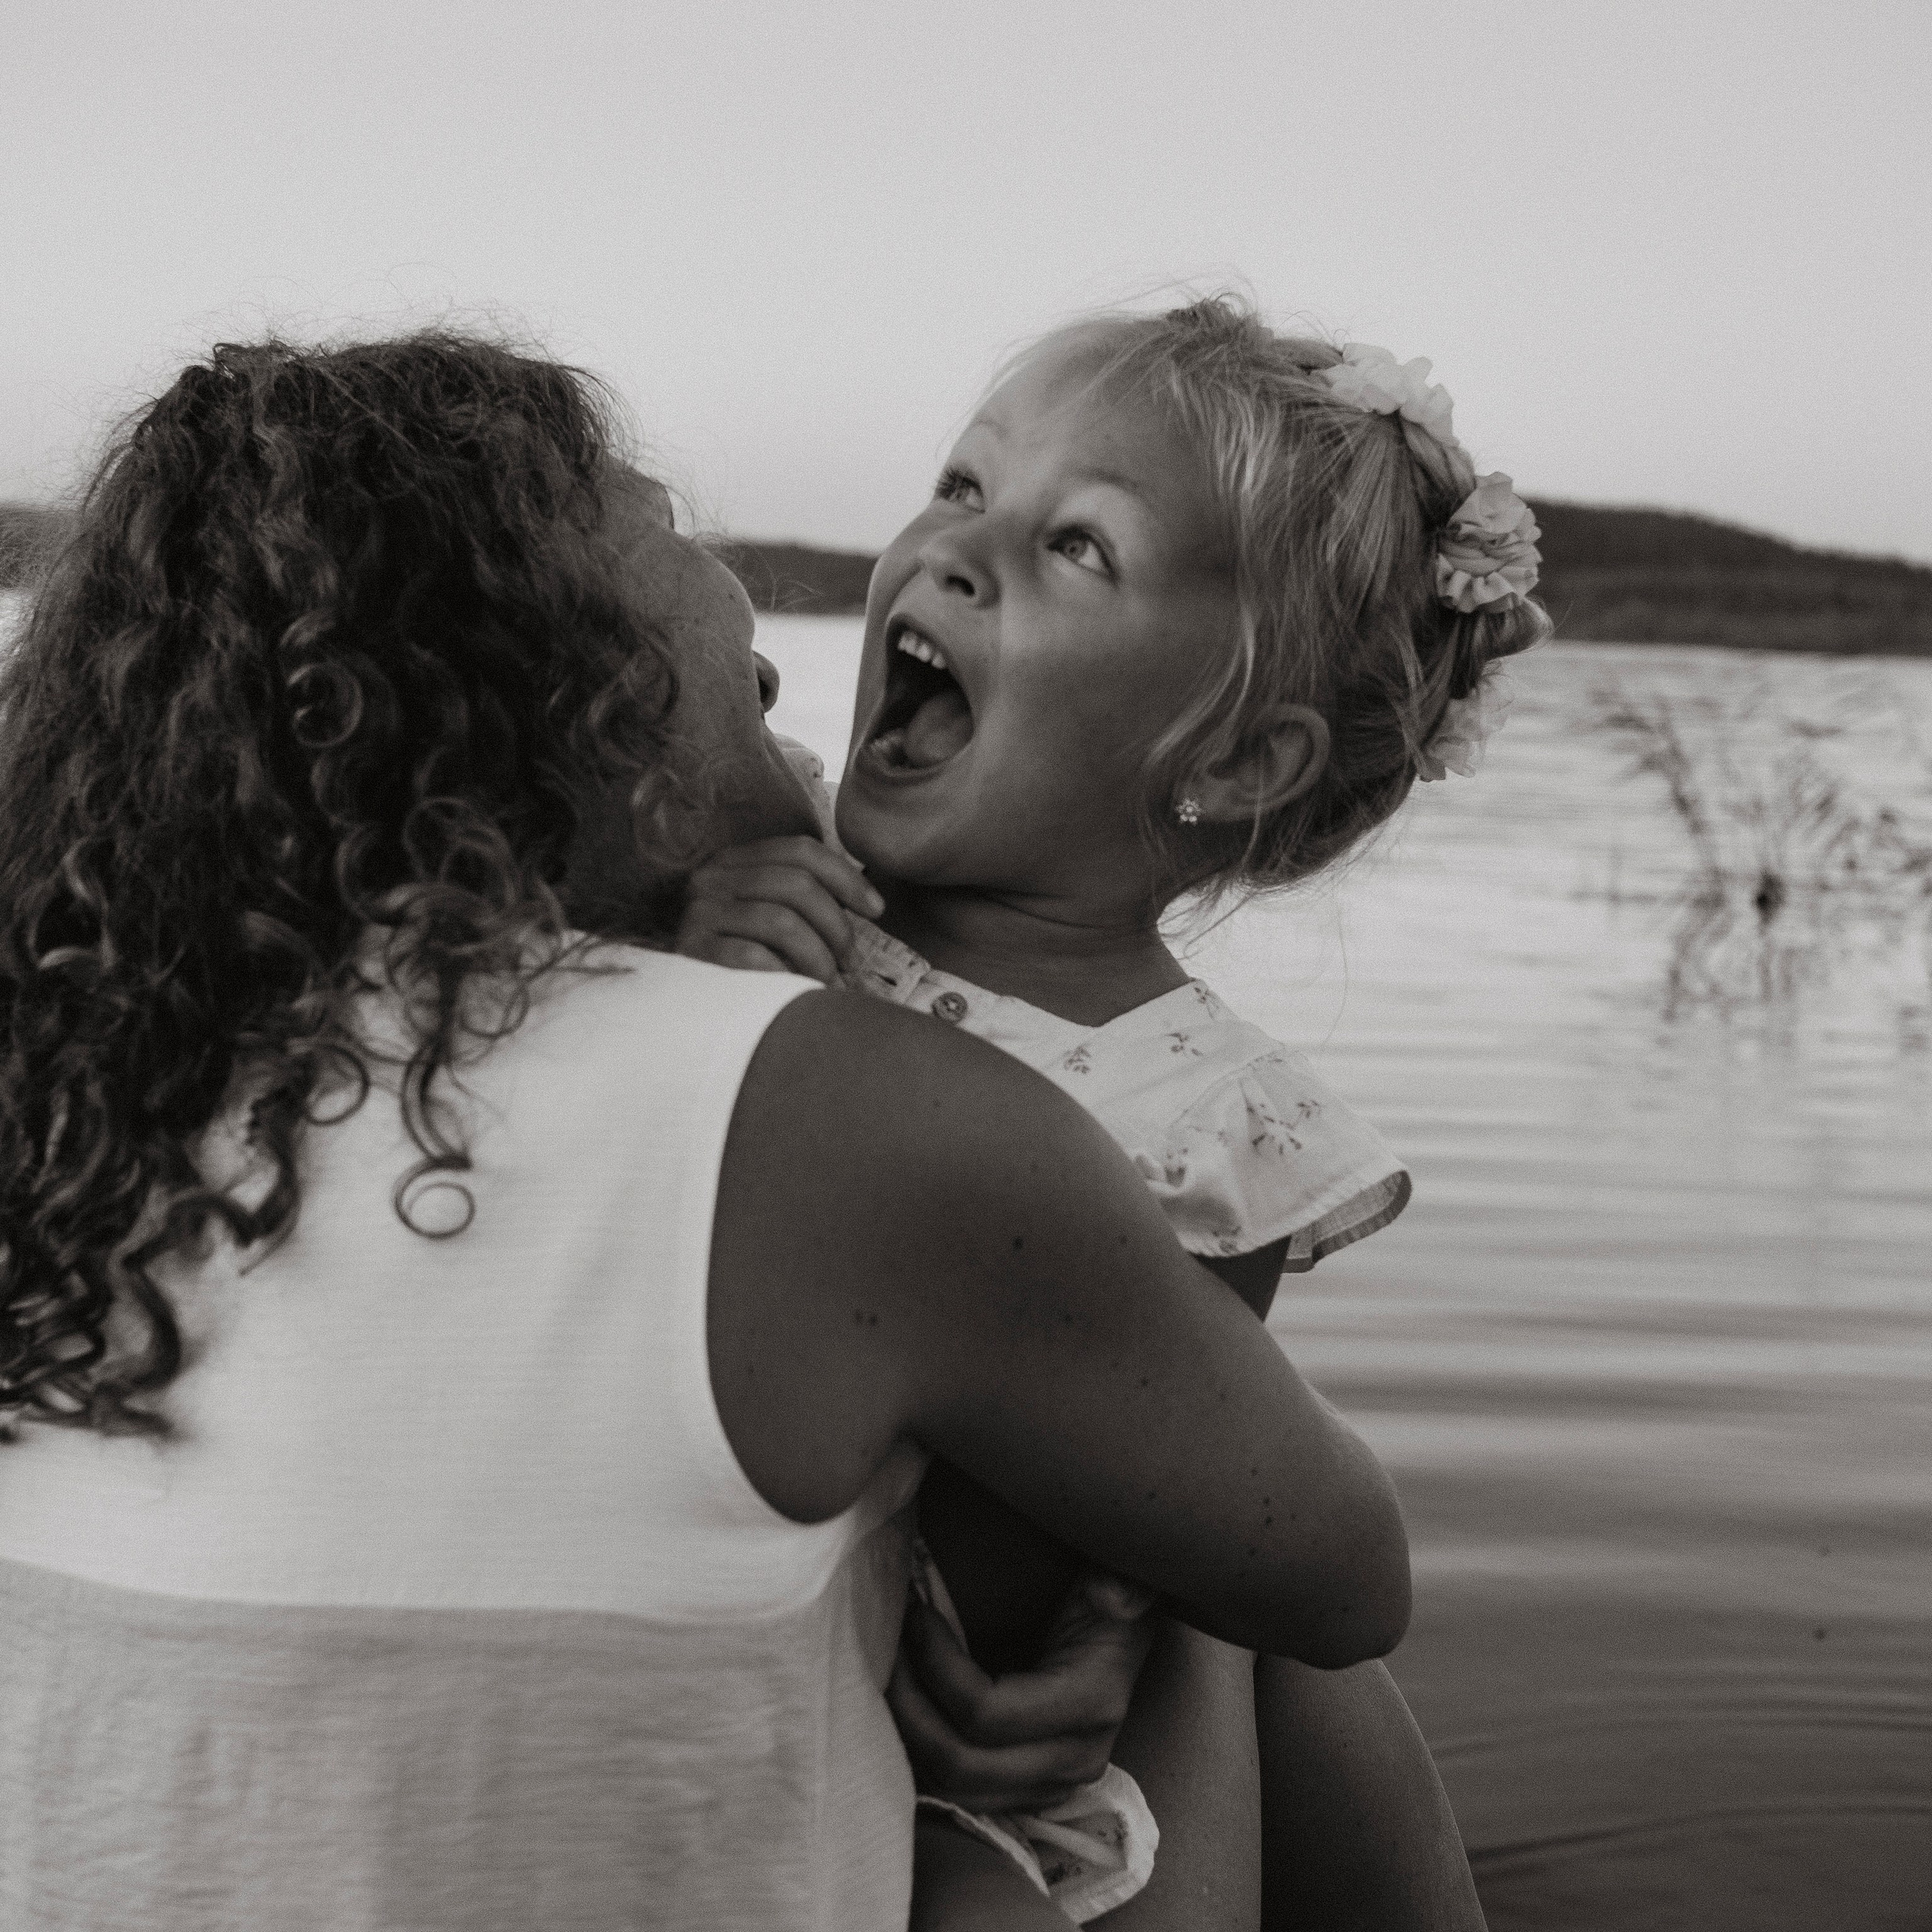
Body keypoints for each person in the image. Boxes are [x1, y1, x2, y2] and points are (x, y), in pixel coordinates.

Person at [0, 332, 1410, 1930]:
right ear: (557, 671)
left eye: (1072, 542)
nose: (753, 621)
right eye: (660, 523)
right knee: (1284, 1671)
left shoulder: (110, 1089)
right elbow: (1332, 1571)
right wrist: (1176, 1619)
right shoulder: (836, 1100)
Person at [678, 294, 1548, 1927]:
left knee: (1304, 1694)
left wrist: (1112, 1634)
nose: (949, 551)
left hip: (982, 1746)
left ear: (1225, 758)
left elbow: (1197, 1482)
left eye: (1075, 547)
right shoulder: (764, 859)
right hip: (735, 1651)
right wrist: (690, 954)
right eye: (958, 485)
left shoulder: (1209, 1115)